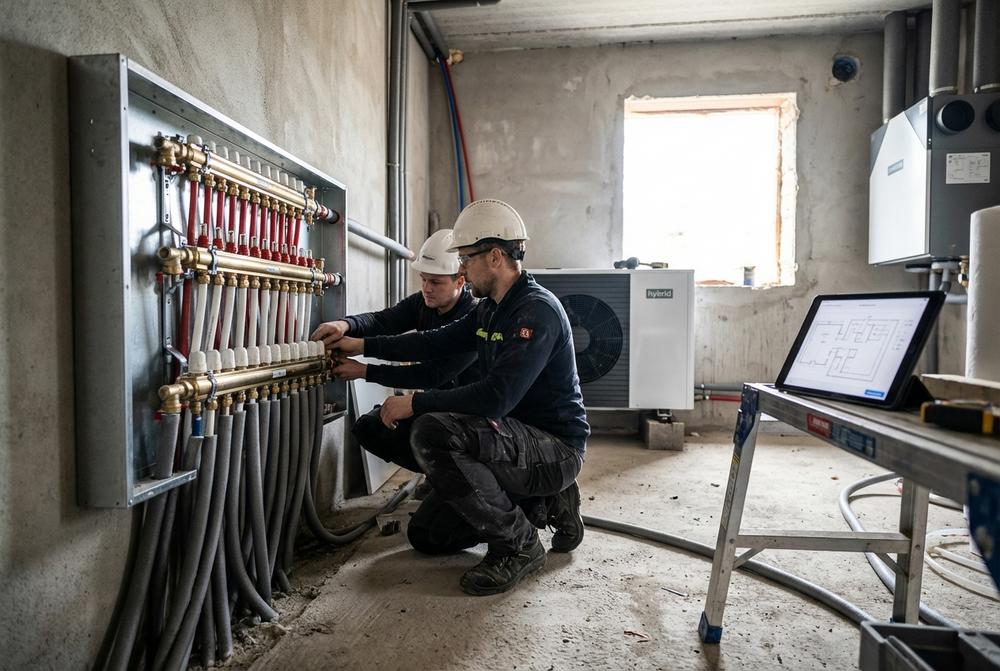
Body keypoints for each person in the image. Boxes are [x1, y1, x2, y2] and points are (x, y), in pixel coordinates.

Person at [329, 199, 589, 596]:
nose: (462, 269)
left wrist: (413, 403)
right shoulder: (491, 310)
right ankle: (536, 503)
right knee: (428, 536)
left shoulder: (536, 312)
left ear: (496, 257)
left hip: (553, 448)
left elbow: (496, 397)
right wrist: (358, 341)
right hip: (510, 439)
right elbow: (435, 343)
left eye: (467, 258)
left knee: (433, 430)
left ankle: (520, 544)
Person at [310, 229, 477, 472]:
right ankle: (441, 477)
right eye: (423, 279)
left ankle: (456, 478)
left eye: (436, 282)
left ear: (460, 281)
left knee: (427, 430)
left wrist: (364, 369)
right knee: (370, 428)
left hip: (469, 414)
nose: (426, 288)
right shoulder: (423, 303)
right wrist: (345, 324)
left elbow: (432, 374)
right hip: (436, 407)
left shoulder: (474, 317)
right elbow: (382, 321)